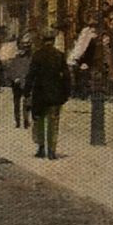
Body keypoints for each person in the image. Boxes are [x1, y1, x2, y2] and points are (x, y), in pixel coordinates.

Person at [24, 29, 70, 159]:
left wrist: (27, 92)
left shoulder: (37, 55)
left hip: (40, 95)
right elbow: (67, 77)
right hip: (55, 95)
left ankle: (41, 148)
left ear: (43, 41)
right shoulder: (60, 55)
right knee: (53, 123)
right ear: (54, 41)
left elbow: (30, 75)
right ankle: (51, 150)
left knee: (39, 122)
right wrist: (66, 94)